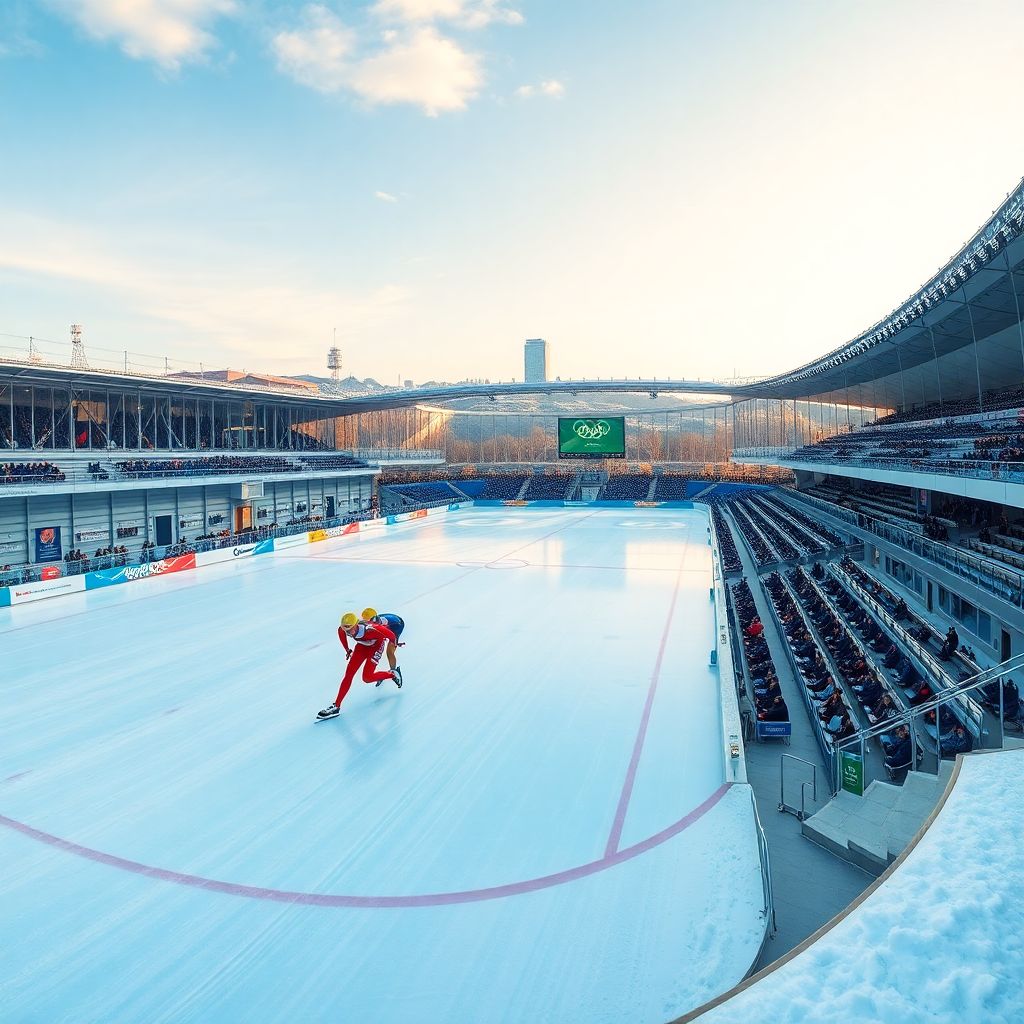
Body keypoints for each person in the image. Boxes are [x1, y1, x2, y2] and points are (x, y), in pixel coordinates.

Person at [317, 612, 401, 719]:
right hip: (362, 647)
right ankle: (336, 706)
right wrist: (347, 649)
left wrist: (394, 643)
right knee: (348, 675)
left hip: (376, 646)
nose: (348, 633)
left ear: (356, 625)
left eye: (350, 630)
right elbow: (341, 633)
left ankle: (393, 675)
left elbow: (391, 635)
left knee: (367, 678)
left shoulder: (372, 629)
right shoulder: (343, 629)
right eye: (346, 630)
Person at [361, 607, 405, 677]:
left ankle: (394, 671)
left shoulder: (382, 623)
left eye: (369, 621)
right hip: (391, 621)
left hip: (397, 626)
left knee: (389, 652)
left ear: (374, 619)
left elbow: (389, 635)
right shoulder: (373, 621)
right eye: (366, 621)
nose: (367, 623)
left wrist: (395, 643)